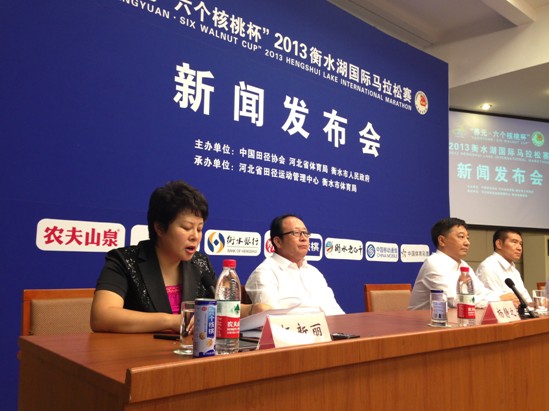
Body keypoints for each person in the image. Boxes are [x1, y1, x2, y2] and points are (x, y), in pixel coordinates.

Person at [90, 180, 268, 334]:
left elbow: (222, 307)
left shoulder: (199, 263)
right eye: (187, 228)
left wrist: (253, 310)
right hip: (137, 355)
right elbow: (102, 316)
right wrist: (171, 321)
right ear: (160, 228)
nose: (195, 236)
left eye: (199, 229)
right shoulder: (125, 261)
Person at [245, 214, 345, 315]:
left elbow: (335, 311)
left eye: (305, 233)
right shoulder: (265, 273)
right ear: (278, 241)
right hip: (293, 325)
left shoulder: (314, 273)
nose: (303, 238)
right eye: (296, 233)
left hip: (326, 325)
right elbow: (271, 318)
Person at [408, 217, 500, 310]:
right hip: (424, 318)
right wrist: (497, 301)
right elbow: (453, 300)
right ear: (442, 241)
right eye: (461, 237)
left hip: (454, 317)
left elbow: (482, 292)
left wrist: (501, 299)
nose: (467, 243)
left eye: (467, 238)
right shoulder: (433, 263)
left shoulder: (463, 265)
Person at [476, 228, 531, 306]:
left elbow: (526, 300)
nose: (519, 248)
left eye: (520, 244)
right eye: (514, 242)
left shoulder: (514, 270)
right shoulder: (488, 267)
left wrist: (538, 304)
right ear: (499, 244)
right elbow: (498, 303)